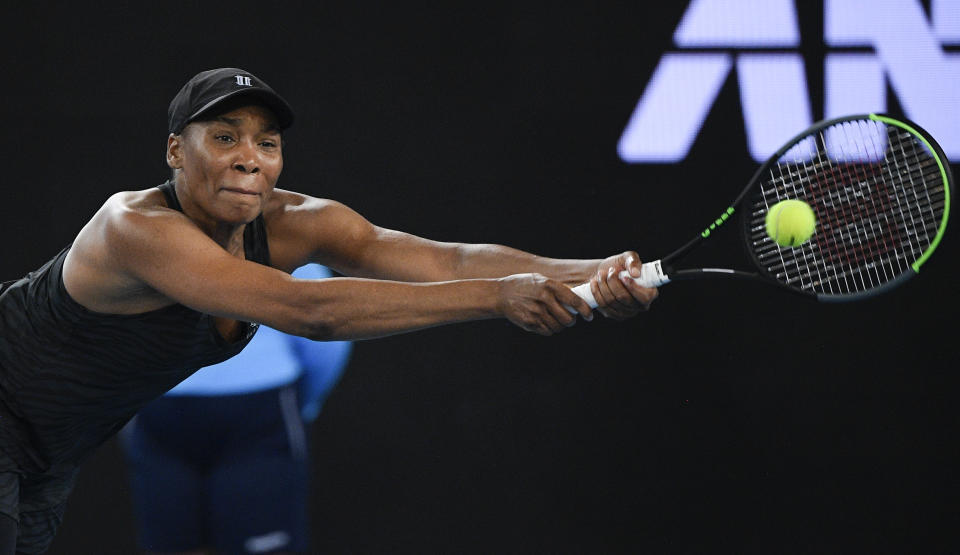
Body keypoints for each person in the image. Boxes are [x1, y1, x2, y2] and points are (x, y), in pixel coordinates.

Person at [0, 67, 657, 553]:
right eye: (224, 136)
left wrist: (592, 273)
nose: (248, 159)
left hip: (47, 454)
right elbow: (306, 309)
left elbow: (446, 260)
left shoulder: (294, 222)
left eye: (266, 142)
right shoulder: (133, 226)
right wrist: (500, 296)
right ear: (175, 151)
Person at [121, 263, 351, 555]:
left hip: (256, 420)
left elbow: (326, 330)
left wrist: (300, 404)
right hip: (163, 418)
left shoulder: (281, 233)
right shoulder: (143, 231)